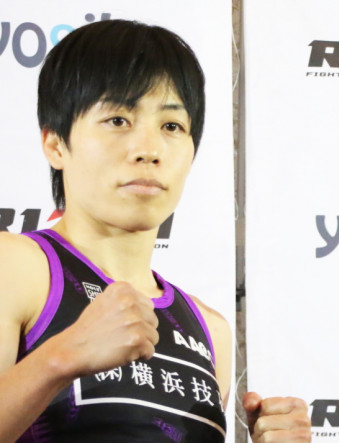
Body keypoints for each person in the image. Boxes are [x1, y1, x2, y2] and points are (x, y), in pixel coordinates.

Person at [0, 20, 311, 442]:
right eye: (118, 120)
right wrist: (62, 356)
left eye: (171, 126)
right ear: (56, 144)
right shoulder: (16, 267)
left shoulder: (210, 330)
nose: (148, 150)